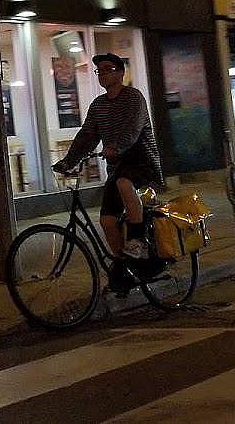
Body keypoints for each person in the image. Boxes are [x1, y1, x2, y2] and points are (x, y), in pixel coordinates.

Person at [52, 53, 162, 293]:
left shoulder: (133, 97)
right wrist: (68, 161)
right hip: (118, 167)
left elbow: (133, 129)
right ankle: (125, 269)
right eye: (99, 70)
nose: (102, 74)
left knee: (124, 183)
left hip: (142, 161)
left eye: (107, 69)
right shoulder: (98, 105)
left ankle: (138, 241)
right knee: (107, 221)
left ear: (121, 73)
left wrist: (115, 147)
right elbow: (87, 136)